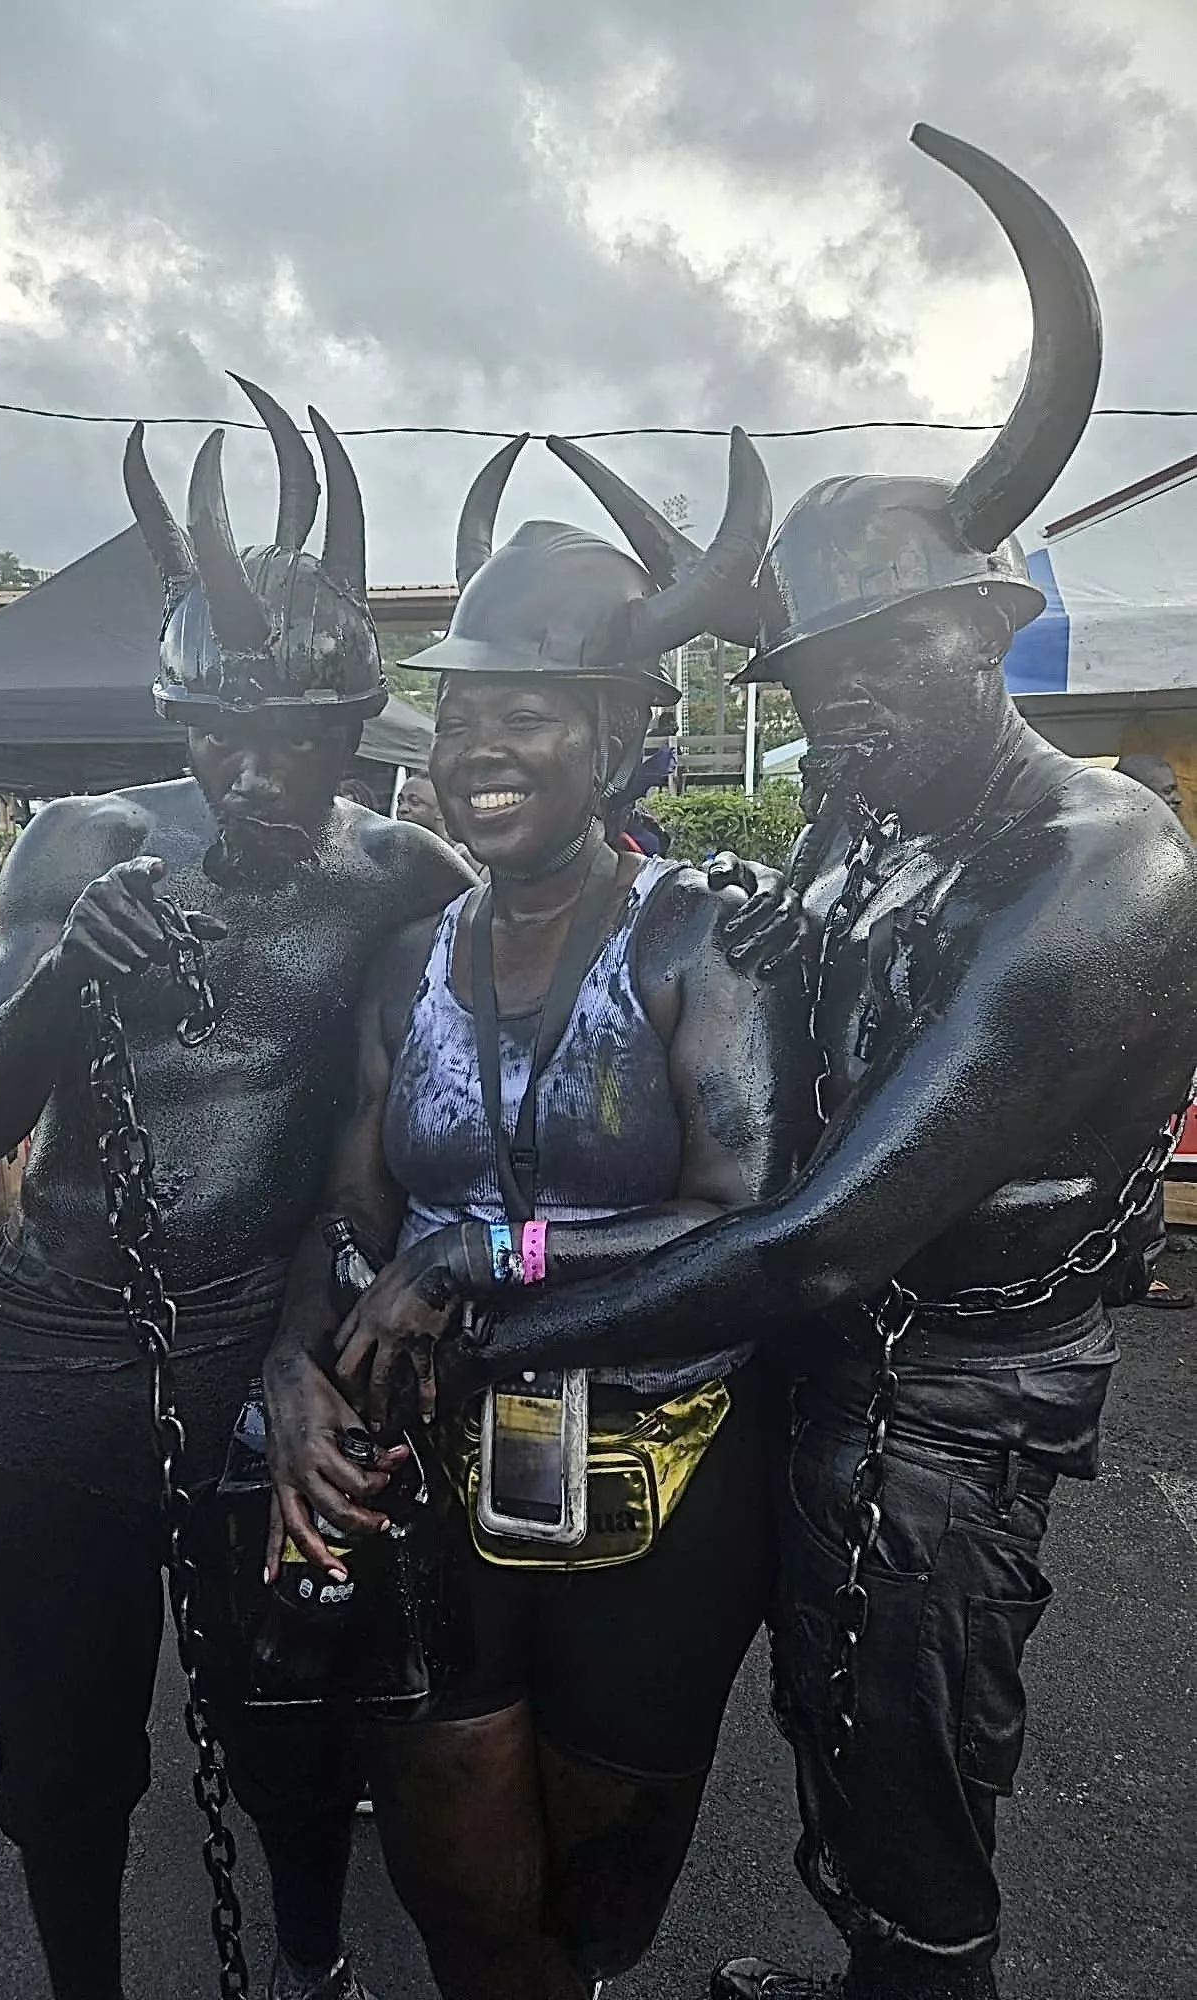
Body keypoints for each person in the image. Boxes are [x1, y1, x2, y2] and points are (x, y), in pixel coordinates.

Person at [439, 129, 1197, 2000]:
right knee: (832, 1725)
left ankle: (916, 1970)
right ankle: (870, 1966)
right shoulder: (861, 821)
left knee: (923, 1757)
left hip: (952, 1386)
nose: (838, 713)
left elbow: (825, 1237)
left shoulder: (1099, 870)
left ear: (984, 632)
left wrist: (493, 1323)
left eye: (882, 665)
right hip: (828, 1361)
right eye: (813, 683)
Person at [0, 377, 478, 2000]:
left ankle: (310, 1965)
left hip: (258, 1356)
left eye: (298, 744)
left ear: (345, 737)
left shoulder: (395, 872)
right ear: (183, 726)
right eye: (226, 737)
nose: (258, 776)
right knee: (64, 1752)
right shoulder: (81, 847)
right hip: (60, 1350)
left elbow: (518, 1017)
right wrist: (54, 985)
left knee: (297, 1728)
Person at [263, 429, 815, 2000]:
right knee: (467, 1898)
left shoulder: (699, 942)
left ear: (623, 741)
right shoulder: (407, 961)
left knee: (604, 1897)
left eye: (524, 718)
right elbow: (347, 1213)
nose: (475, 752)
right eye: (455, 722)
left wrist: (485, 1250)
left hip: (668, 1480)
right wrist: (301, 1365)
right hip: (431, 1474)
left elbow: (747, 1217)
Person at [394, 772, 449, 839]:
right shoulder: (388, 845)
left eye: (414, 802)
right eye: (400, 801)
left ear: (441, 811)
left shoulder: (455, 848)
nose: (401, 808)